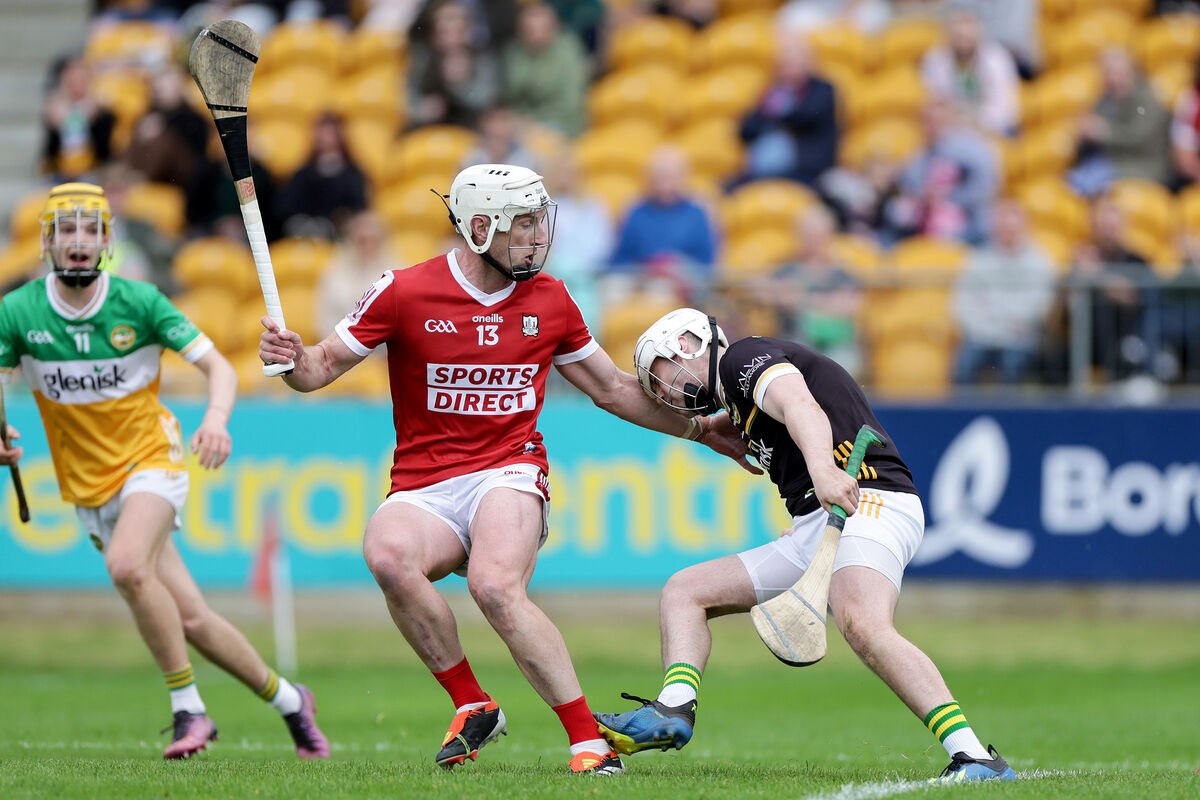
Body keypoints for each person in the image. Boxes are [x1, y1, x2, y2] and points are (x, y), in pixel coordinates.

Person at [257, 163, 754, 774]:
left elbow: (611, 388)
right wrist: (291, 359)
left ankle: (588, 742)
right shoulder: (403, 291)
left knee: (493, 585)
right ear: (479, 229)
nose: (537, 237)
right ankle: (473, 704)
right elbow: (317, 369)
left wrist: (701, 430)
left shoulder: (552, 299)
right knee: (386, 555)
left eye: (539, 222)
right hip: (425, 482)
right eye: (523, 225)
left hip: (509, 469)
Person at [592, 307, 1017, 785]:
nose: (663, 392)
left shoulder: (741, 358)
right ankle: (674, 709)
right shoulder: (736, 402)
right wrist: (705, 434)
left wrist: (823, 472)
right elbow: (671, 414)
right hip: (819, 522)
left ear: (689, 344)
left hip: (867, 497)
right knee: (685, 591)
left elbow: (801, 406)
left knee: (863, 623)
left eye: (662, 373)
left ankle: (975, 758)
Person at [0, 183, 330, 761]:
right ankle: (290, 701)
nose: (78, 242)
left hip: (151, 457)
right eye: (67, 230)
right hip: (88, 485)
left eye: (90, 230)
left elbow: (218, 368)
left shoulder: (140, 301)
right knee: (193, 619)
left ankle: (189, 710)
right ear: (47, 241)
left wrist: (217, 420)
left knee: (127, 566)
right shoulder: (18, 311)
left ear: (107, 240)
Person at [952, 200, 1055, 385]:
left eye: (1012, 229)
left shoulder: (1039, 262)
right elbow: (964, 306)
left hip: (1020, 340)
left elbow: (1037, 308)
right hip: (981, 338)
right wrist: (994, 326)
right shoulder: (978, 260)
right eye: (1004, 228)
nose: (1008, 233)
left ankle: (1008, 407)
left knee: (1012, 363)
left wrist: (997, 319)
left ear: (1024, 229)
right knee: (965, 363)